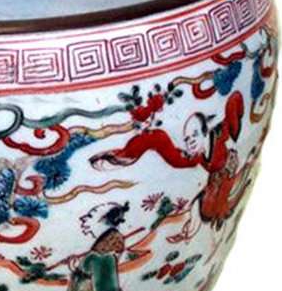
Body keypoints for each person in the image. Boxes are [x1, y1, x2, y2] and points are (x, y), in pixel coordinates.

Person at [90, 91, 253, 242]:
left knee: (212, 216)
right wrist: (124, 157)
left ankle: (203, 239)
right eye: (187, 139)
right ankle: (187, 235)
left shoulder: (222, 135)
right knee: (197, 210)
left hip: (225, 182)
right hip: (215, 187)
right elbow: (168, 151)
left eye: (195, 135)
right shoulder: (196, 157)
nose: (191, 142)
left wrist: (234, 142)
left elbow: (235, 101)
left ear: (206, 130)